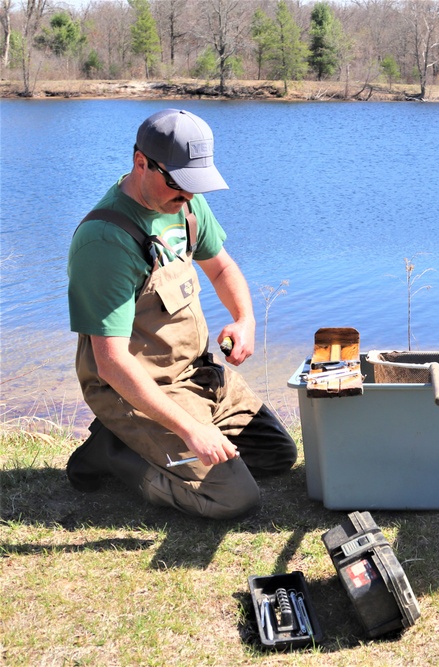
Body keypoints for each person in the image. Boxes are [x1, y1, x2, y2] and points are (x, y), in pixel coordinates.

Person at [66, 109, 297, 519]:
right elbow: (112, 363)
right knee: (234, 499)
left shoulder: (185, 204)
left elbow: (222, 266)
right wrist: (190, 429)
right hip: (136, 385)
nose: (188, 195)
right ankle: (114, 452)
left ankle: (154, 440)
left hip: (196, 373)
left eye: (195, 184)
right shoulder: (106, 241)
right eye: (178, 183)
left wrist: (244, 319)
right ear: (141, 163)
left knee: (277, 456)